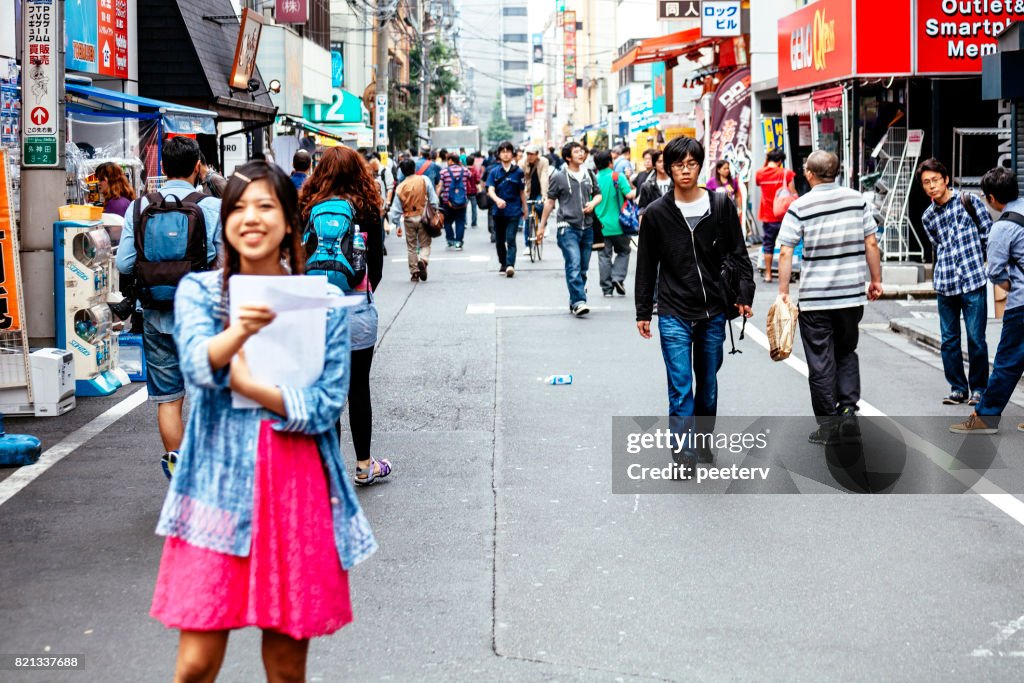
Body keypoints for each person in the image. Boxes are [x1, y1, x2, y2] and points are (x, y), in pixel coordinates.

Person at [150, 161, 376, 682]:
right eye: (239, 208)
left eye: (266, 206)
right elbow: (195, 369)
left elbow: (324, 406)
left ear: (291, 222)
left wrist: (253, 387)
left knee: (285, 665)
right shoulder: (200, 294)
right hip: (216, 484)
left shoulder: (322, 303)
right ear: (226, 221)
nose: (251, 218)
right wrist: (237, 333)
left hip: (296, 484)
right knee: (195, 663)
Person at [116, 136, 222, 479]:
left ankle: (180, 470)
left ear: (162, 168)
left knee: (168, 399)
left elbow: (124, 263)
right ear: (197, 168)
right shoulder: (212, 207)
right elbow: (227, 262)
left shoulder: (139, 207)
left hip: (156, 315)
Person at [635, 136, 754, 421]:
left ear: (700, 167)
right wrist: (643, 311)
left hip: (712, 309)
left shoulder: (721, 205)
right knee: (680, 387)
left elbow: (738, 254)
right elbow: (646, 265)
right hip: (673, 310)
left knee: (708, 386)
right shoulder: (656, 214)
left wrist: (744, 295)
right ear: (669, 168)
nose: (685, 170)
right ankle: (684, 456)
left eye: (691, 164)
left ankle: (701, 443)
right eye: (679, 165)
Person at [299, 147, 392, 482]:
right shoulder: (367, 210)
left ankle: (328, 469)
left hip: (314, 308)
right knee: (358, 388)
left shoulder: (307, 207)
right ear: (359, 173)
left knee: (327, 388)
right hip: (356, 309)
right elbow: (377, 269)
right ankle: (365, 466)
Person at [777, 150, 883, 442]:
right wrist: (876, 280)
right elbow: (871, 242)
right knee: (846, 352)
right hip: (850, 297)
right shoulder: (857, 200)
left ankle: (829, 425)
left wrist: (784, 292)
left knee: (821, 361)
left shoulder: (801, 205)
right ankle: (848, 412)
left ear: (809, 174)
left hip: (815, 299)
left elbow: (786, 249)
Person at [950, 166, 1024, 434]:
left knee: (1007, 361)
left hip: (1022, 305)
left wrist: (1011, 284)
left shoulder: (1002, 228)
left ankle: (985, 418)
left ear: (991, 198)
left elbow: (995, 273)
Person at [919, 157, 992, 407]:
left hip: (972, 281)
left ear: (946, 179)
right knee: (949, 340)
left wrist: (981, 264)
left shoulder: (969, 201)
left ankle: (979, 388)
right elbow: (938, 245)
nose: (931, 186)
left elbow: (988, 234)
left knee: (976, 338)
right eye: (926, 182)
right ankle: (958, 388)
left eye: (935, 180)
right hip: (945, 283)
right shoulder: (928, 216)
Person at [539, 141, 602, 317]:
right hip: (567, 228)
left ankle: (575, 299)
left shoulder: (589, 174)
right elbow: (550, 201)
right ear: (568, 157)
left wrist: (593, 203)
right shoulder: (559, 177)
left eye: (582, 151)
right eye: (576, 152)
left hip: (587, 227)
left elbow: (598, 194)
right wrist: (541, 226)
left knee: (582, 268)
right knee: (573, 263)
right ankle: (579, 301)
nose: (581, 154)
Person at [389, 158, 440, 282]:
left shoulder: (401, 187)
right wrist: (435, 211)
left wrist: (397, 224)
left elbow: (395, 209)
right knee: (425, 243)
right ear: (414, 168)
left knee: (411, 247)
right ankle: (423, 259)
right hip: (423, 216)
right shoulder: (424, 180)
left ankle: (414, 272)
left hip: (408, 217)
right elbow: (433, 199)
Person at [593, 149, 636, 297]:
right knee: (624, 251)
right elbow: (629, 195)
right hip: (619, 224)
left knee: (604, 256)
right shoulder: (618, 177)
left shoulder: (594, 178)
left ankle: (606, 289)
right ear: (610, 162)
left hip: (600, 226)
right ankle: (617, 277)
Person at [487, 140, 528, 278]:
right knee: (499, 240)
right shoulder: (494, 172)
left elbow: (522, 192)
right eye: (503, 152)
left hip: (514, 210)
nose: (505, 154)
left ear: (512, 154)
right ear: (499, 155)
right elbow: (490, 190)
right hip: (498, 211)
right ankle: (503, 263)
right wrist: (497, 200)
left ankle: (510, 265)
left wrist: (525, 208)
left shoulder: (518, 172)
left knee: (511, 238)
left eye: (508, 152)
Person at [755, 149, 797, 283]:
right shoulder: (786, 173)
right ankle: (785, 275)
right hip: (785, 216)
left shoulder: (760, 173)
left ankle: (768, 274)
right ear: (780, 161)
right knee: (787, 245)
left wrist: (765, 162)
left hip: (768, 215)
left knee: (768, 244)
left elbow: (757, 181)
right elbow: (793, 193)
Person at [439, 153, 472, 249]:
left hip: (447, 201)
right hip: (462, 201)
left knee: (447, 221)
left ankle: (450, 240)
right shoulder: (465, 170)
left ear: (450, 160)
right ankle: (458, 242)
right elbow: (470, 178)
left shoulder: (444, 172)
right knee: (460, 221)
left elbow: (440, 186)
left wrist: (437, 197)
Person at [520, 144, 550, 249]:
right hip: (527, 191)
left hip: (540, 191)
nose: (530, 156)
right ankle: (528, 245)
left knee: (540, 206)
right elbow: (521, 179)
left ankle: (543, 223)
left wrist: (544, 195)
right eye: (528, 154)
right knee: (527, 219)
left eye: (532, 154)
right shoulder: (522, 163)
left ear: (537, 154)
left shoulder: (543, 161)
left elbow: (544, 177)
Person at [637, 150, 672, 214]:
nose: (663, 164)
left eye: (665, 161)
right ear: (654, 165)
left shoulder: (676, 183)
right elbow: (642, 208)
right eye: (660, 161)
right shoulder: (647, 186)